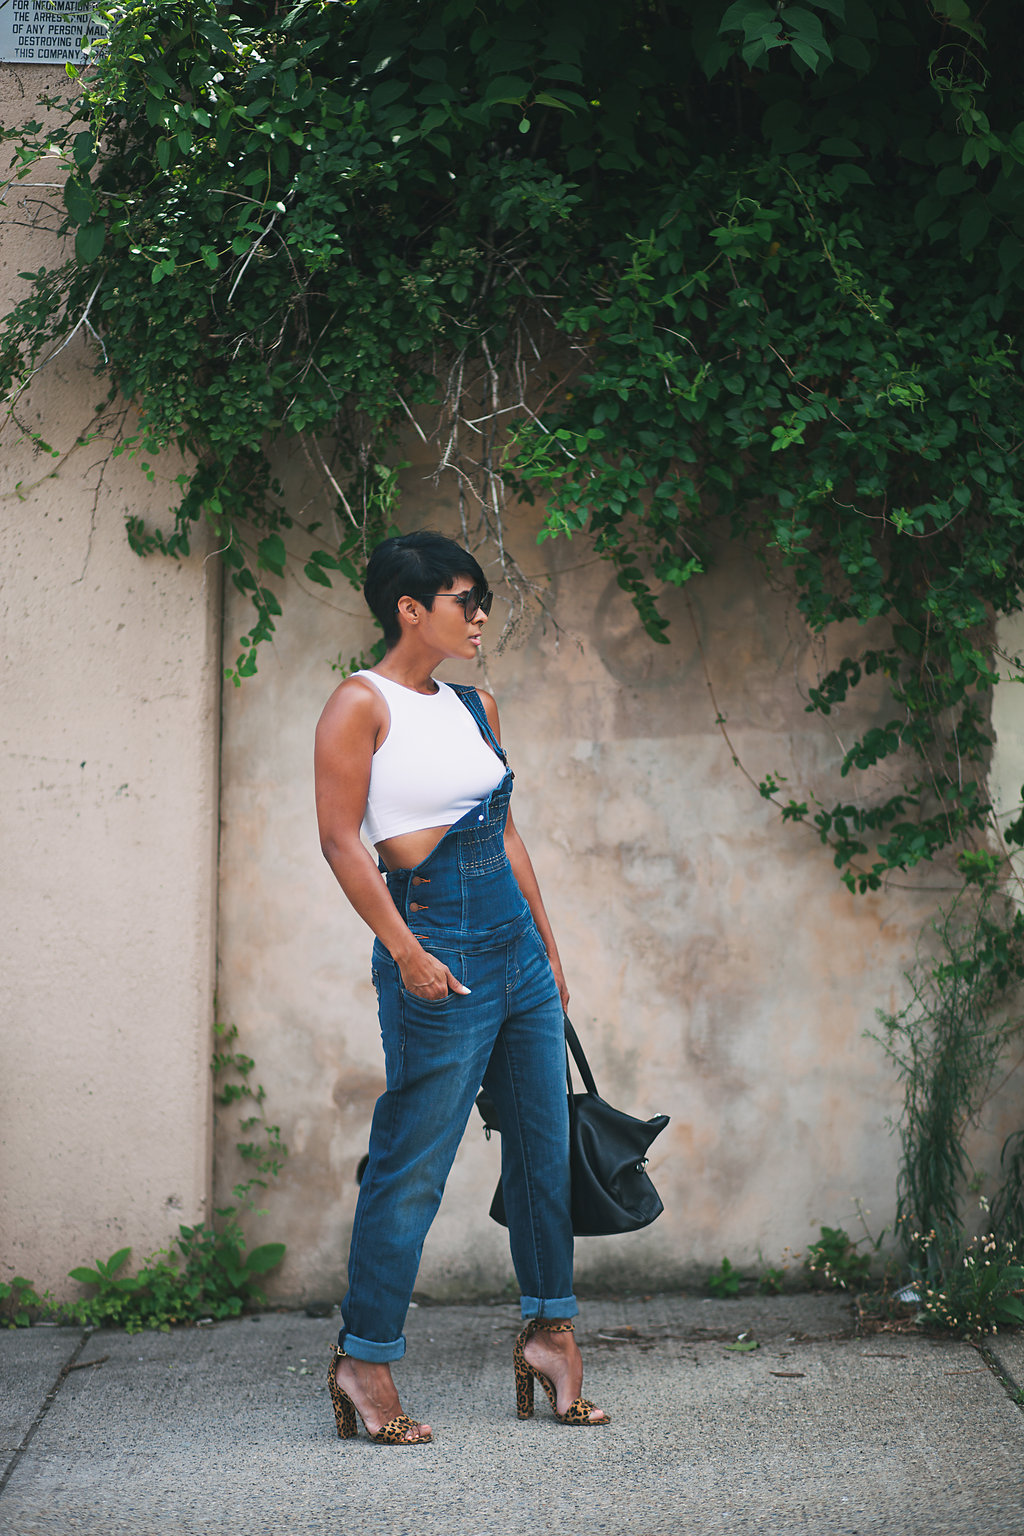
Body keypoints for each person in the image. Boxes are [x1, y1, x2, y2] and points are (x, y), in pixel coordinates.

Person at [314, 530, 609, 1444]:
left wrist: (549, 953)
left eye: (481, 600)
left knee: (542, 1147)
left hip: (512, 948)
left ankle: (552, 1338)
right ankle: (365, 1362)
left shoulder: (474, 704)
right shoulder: (358, 705)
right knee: (414, 1162)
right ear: (411, 609)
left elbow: (508, 835)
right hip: (433, 942)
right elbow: (339, 842)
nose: (479, 614)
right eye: (462, 599)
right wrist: (405, 951)